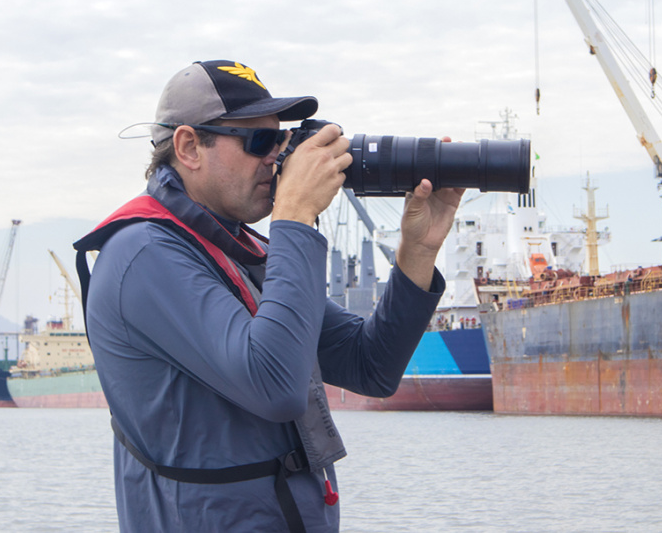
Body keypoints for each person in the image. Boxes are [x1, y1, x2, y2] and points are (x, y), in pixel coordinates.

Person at [73, 60, 463, 532]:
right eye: (258, 141)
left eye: (281, 139)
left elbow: (371, 365)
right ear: (190, 146)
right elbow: (276, 388)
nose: (277, 158)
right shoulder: (145, 255)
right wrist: (295, 214)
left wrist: (418, 250)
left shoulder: (238, 250)